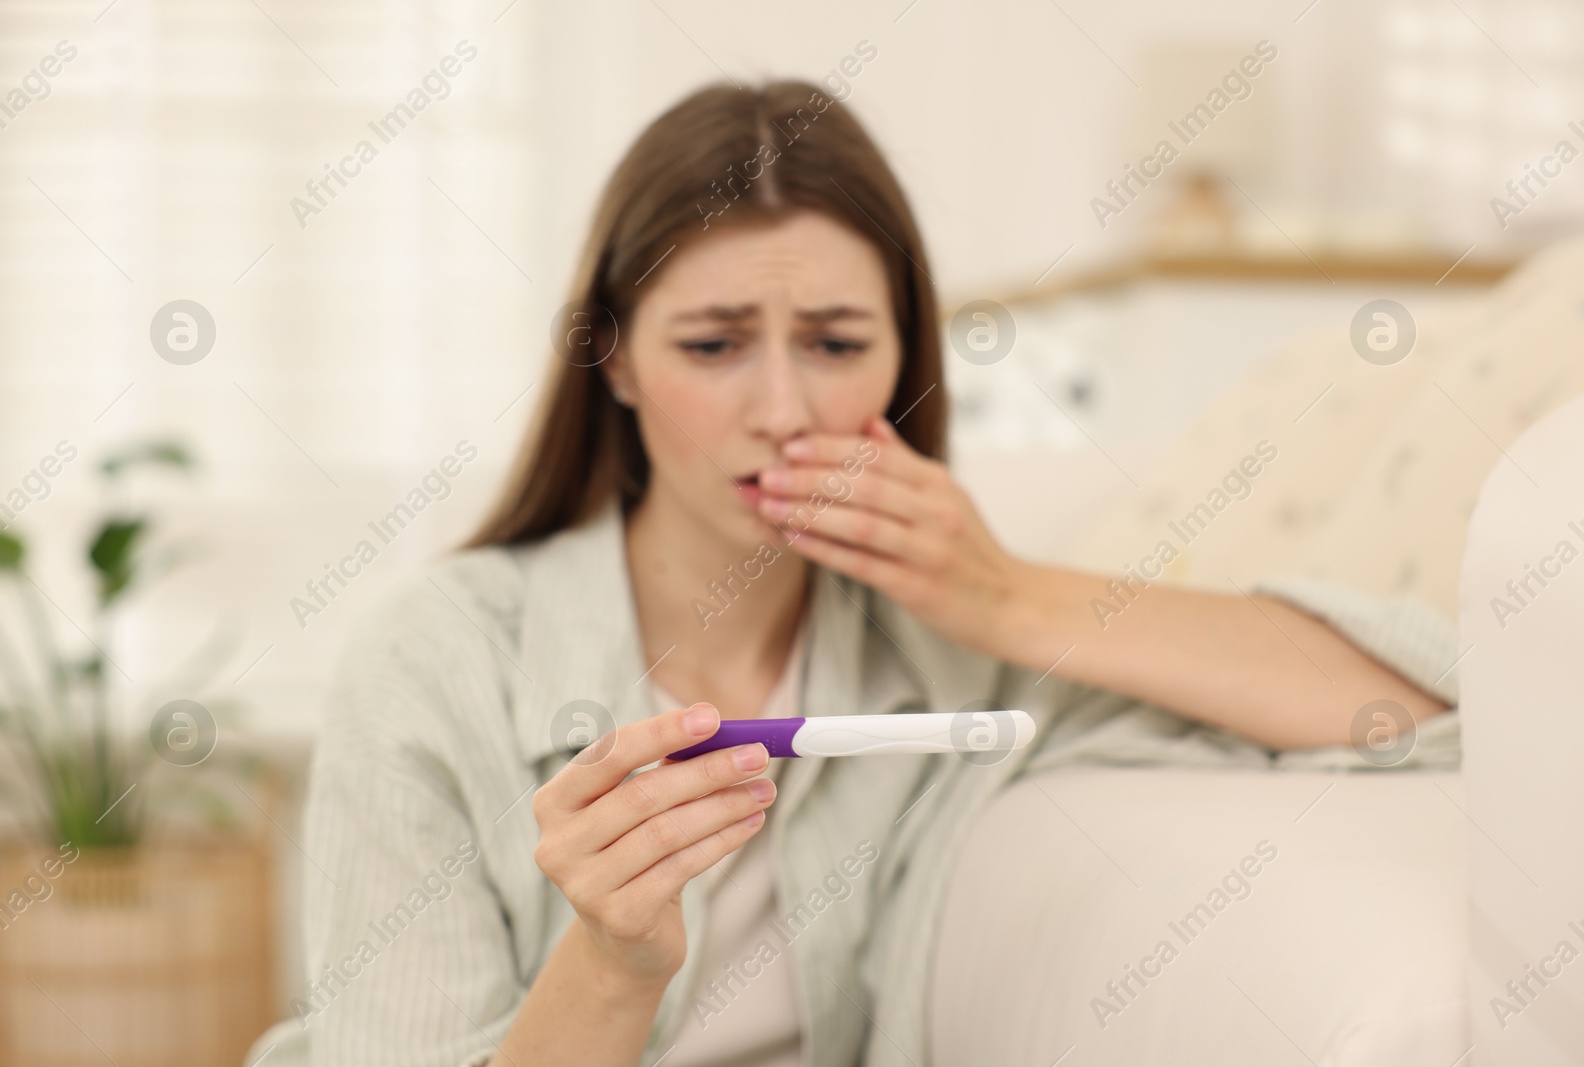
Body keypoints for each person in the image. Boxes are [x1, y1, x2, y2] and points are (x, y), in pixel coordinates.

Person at [245, 80, 1453, 1067]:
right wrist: (610, 963)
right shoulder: (433, 663)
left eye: (835, 344)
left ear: (903, 358)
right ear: (609, 360)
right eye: (713, 345)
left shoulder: (960, 660)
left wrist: (1006, 596)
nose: (782, 409)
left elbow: (1422, 710)